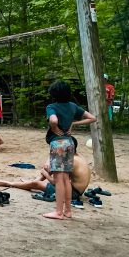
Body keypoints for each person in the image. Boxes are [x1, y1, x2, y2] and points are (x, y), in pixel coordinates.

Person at [43, 80, 97, 220]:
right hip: (69, 143)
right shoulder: (73, 106)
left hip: (58, 144)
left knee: (59, 179)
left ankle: (58, 212)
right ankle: (68, 211)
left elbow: (53, 121)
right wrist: (74, 123)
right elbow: (92, 118)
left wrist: (54, 128)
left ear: (53, 94)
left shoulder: (51, 107)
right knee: (66, 179)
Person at [0, 154, 92, 208]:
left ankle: (9, 183)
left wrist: (45, 174)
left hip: (72, 193)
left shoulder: (70, 161)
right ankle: (30, 182)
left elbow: (55, 182)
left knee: (37, 183)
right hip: (74, 188)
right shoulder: (79, 156)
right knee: (48, 172)